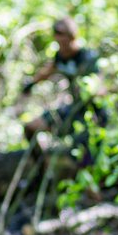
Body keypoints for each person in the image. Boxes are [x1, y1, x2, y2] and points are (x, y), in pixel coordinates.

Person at [21, 16, 105, 147]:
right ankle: (43, 165)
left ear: (72, 37)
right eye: (56, 37)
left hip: (92, 114)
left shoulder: (88, 58)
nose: (59, 42)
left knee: (83, 152)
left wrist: (91, 92)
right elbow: (47, 71)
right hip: (72, 110)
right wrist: (30, 84)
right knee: (31, 127)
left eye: (63, 38)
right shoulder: (60, 56)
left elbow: (101, 85)